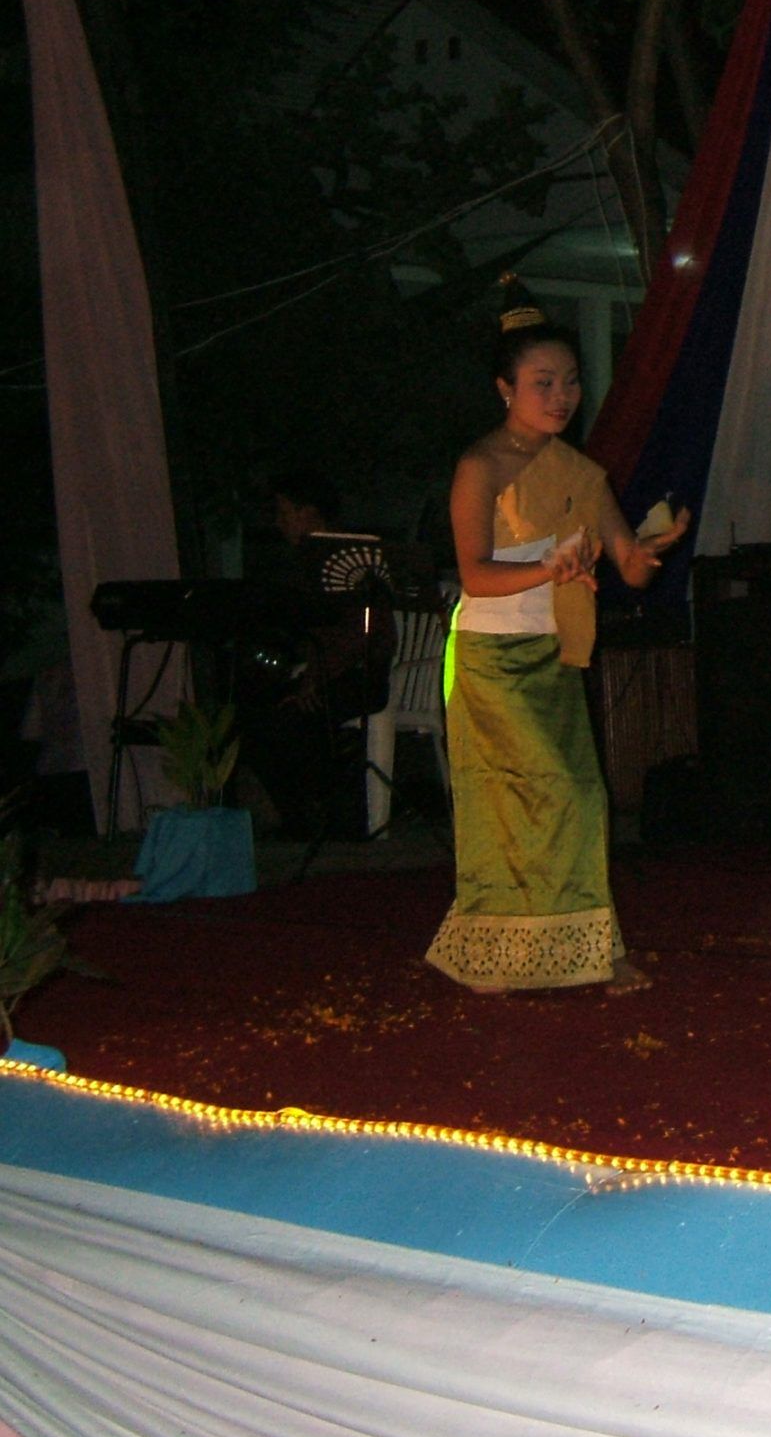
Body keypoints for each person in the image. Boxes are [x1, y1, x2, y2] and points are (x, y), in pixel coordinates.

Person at [424, 305, 689, 993]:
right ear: (505, 388)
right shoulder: (479, 466)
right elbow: (476, 574)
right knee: (529, 801)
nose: (562, 396)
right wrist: (551, 568)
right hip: (488, 657)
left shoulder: (581, 471)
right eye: (543, 382)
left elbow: (626, 565)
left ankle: (590, 949)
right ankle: (500, 952)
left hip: (554, 654)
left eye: (570, 381)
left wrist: (649, 548)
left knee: (581, 798)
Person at [235, 470, 394, 839]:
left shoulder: (349, 558)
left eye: (284, 511)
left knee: (291, 721)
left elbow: (359, 636)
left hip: (358, 675)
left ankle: (324, 817)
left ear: (308, 512)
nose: (278, 522)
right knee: (253, 715)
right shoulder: (302, 564)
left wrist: (315, 679)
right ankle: (301, 817)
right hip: (325, 672)